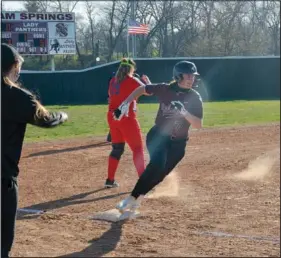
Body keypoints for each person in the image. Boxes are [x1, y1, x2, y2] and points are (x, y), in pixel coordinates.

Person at [1, 43, 68, 257]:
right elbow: (46, 120)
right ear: (13, 66)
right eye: (18, 65)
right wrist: (62, 116)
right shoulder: (17, 96)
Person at [113, 60, 204, 217]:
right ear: (178, 76)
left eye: (193, 76)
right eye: (188, 75)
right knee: (157, 164)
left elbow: (198, 124)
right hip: (158, 136)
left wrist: (184, 112)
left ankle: (138, 199)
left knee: (160, 175)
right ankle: (130, 198)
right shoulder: (165, 89)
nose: (191, 79)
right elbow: (142, 89)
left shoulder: (194, 97)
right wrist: (126, 103)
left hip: (178, 145)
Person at [105, 58, 148, 188]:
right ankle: (144, 181)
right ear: (131, 69)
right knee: (137, 149)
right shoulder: (132, 80)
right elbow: (148, 90)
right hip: (127, 119)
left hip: (112, 117)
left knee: (117, 149)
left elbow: (111, 96)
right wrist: (146, 81)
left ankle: (110, 180)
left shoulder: (113, 81)